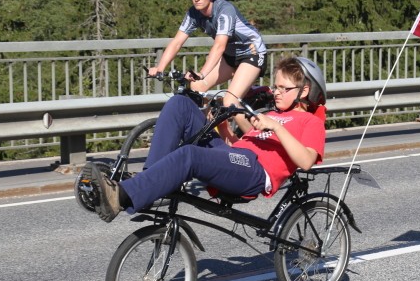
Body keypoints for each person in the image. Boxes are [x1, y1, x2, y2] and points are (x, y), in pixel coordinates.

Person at [88, 56, 327, 223]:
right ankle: (151, 181)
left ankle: (122, 195)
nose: (275, 93)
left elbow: (306, 160)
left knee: (189, 155)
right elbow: (236, 148)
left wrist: (276, 127)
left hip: (255, 171)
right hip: (237, 159)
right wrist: (223, 126)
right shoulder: (273, 114)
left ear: (303, 91)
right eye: (275, 87)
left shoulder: (310, 122)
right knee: (180, 104)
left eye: (283, 89)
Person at [148, 0, 267, 143]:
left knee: (230, 101)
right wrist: (160, 68)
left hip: (252, 54)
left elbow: (219, 45)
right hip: (230, 56)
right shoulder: (193, 14)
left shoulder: (225, 10)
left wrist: (202, 72)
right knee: (196, 87)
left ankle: (260, 144)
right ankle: (221, 136)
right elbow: (177, 42)